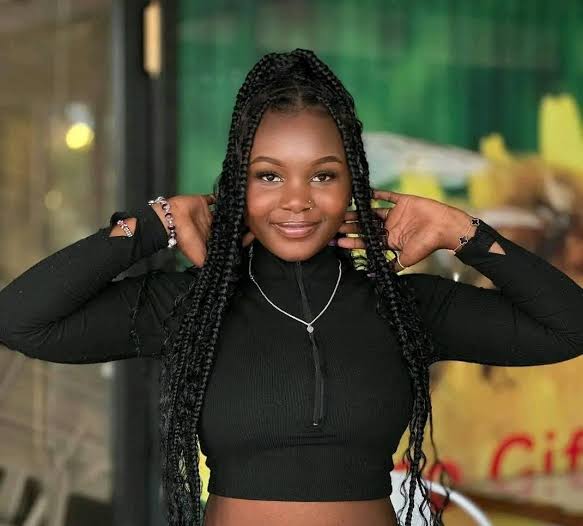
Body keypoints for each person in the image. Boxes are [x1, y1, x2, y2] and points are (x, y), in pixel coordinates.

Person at [1, 49, 582, 526]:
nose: (297, 200)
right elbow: (22, 320)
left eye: (323, 175)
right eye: (269, 175)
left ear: (352, 183)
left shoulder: (406, 307)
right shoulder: (190, 306)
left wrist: (463, 232)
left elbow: (568, 326)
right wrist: (155, 224)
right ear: (238, 184)